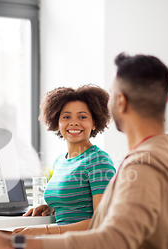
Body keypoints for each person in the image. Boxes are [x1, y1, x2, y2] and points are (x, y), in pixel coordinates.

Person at [0, 53, 168, 249]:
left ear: (120, 101)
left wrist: (16, 243)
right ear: (166, 101)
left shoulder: (143, 166)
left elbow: (111, 240)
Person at [14, 85, 116, 235]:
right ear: (57, 122)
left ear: (94, 123)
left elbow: (102, 221)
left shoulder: (98, 161)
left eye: (82, 117)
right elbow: (77, 203)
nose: (74, 123)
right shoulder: (60, 162)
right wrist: (53, 207)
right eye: (66, 117)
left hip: (84, 246)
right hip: (62, 243)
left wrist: (44, 231)